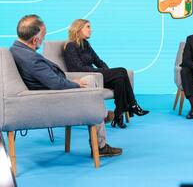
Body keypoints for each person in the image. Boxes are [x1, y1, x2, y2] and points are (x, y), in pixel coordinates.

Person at [10, 15, 122, 157]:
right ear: (35, 39)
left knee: (90, 79)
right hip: (54, 98)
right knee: (90, 83)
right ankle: (100, 138)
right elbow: (55, 83)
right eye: (43, 37)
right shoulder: (31, 59)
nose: (43, 40)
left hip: (49, 89)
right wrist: (75, 84)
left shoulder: (17, 49)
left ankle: (101, 115)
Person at [63, 19, 149, 129]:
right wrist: (102, 73)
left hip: (96, 75)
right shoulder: (71, 46)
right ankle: (133, 105)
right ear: (78, 29)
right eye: (88, 27)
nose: (91, 30)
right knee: (122, 71)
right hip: (84, 78)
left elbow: (99, 61)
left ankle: (118, 115)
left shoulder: (86, 44)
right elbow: (77, 68)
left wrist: (107, 72)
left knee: (119, 79)